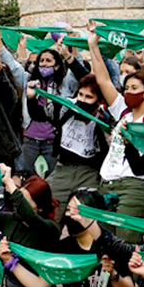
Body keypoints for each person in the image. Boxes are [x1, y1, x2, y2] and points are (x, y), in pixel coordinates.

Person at [86, 29, 144, 243]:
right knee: (105, 244)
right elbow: (103, 81)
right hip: (107, 184)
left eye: (135, 88)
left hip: (135, 187)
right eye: (127, 87)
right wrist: (92, 46)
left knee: (124, 246)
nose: (128, 91)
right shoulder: (123, 112)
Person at [44, 73, 108, 228]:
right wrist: (32, 98)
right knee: (50, 215)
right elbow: (40, 115)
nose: (82, 100)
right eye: (80, 94)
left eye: (88, 97)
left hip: (89, 173)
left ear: (99, 101)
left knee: (86, 222)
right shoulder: (67, 108)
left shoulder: (104, 120)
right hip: (62, 169)